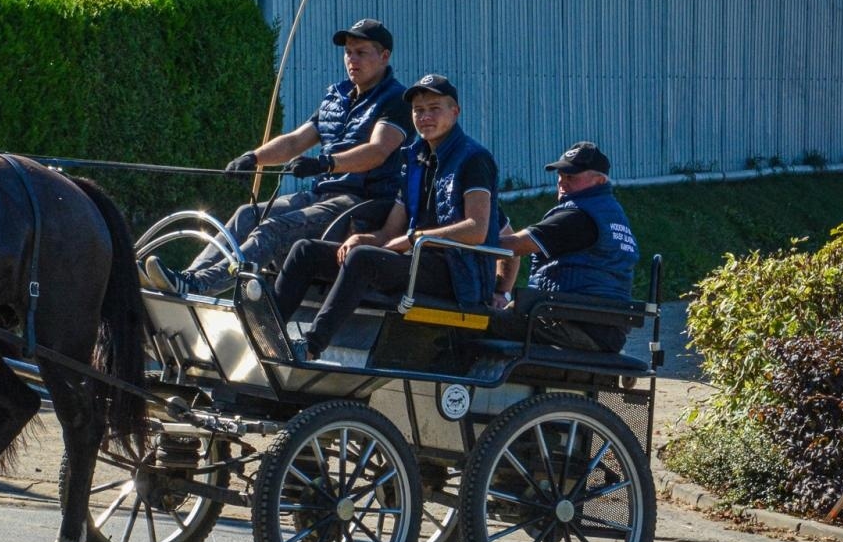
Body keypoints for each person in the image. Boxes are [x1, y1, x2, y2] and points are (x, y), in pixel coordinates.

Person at [144, 17, 410, 296]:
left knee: (272, 227)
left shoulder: (395, 100)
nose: (351, 59)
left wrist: (327, 163)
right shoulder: (337, 96)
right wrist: (253, 158)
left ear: (384, 56)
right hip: (322, 196)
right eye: (347, 52)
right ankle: (188, 277)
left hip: (360, 203)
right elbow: (296, 141)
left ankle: (202, 285)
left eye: (361, 52)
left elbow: (378, 151)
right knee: (246, 214)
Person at [273, 74, 499, 361]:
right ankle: (265, 333)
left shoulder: (474, 158)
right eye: (418, 110)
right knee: (306, 250)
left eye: (434, 108)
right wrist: (366, 237)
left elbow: (476, 231)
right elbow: (391, 229)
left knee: (363, 259)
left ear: (455, 112)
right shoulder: (414, 157)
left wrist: (414, 239)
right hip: (416, 258)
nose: (425, 116)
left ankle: (311, 347)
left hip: (455, 271)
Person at [498, 141, 638, 352]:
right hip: (596, 325)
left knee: (477, 321)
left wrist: (458, 241)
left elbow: (514, 246)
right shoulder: (609, 213)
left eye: (571, 176)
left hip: (578, 325)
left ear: (599, 180)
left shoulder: (578, 217)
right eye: (560, 175)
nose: (562, 182)